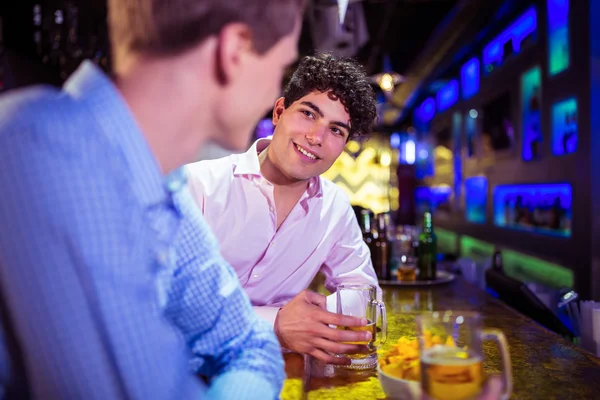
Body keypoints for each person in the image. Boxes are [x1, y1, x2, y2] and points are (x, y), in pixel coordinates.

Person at [0, 0, 304, 398]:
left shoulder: (159, 182)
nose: (274, 93)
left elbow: (251, 346)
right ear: (235, 51)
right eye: (281, 67)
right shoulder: (46, 155)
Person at [183, 53, 380, 364]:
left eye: (336, 130)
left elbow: (365, 292)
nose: (316, 137)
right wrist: (275, 322)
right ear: (279, 112)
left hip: (267, 368)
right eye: (308, 114)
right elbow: (166, 301)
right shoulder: (199, 185)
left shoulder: (334, 207)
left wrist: (308, 320)